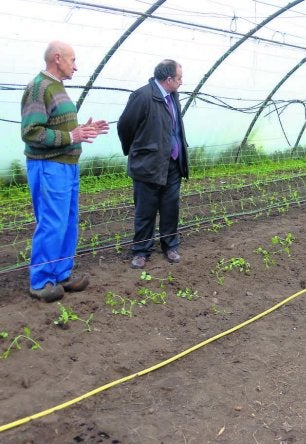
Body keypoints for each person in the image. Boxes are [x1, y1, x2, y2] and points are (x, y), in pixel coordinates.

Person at [21, 41, 109, 302]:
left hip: (66, 167)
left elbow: (60, 129)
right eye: (72, 60)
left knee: (68, 222)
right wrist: (72, 135)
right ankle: (41, 282)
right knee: (52, 223)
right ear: (57, 58)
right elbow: (31, 132)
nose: (76, 66)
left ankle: (61, 274)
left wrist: (83, 130)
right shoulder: (39, 88)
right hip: (49, 166)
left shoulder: (57, 88)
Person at [118, 59, 189, 269]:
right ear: (168, 79)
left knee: (170, 208)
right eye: (179, 78)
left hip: (173, 164)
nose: (181, 82)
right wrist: (138, 151)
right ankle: (141, 251)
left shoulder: (173, 96)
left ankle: (170, 246)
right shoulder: (143, 96)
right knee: (145, 210)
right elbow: (125, 127)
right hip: (148, 165)